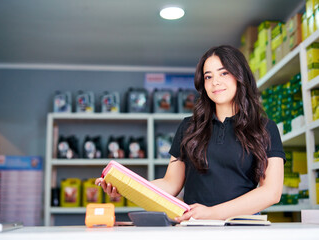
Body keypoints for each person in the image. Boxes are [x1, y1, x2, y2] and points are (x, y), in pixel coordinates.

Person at [95, 45, 285, 222]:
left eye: (224, 73)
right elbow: (171, 183)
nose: (215, 82)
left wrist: (212, 213)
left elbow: (271, 192)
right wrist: (127, 188)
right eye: (208, 76)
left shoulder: (264, 128)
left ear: (240, 76)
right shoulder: (189, 127)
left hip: (240, 228)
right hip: (194, 226)